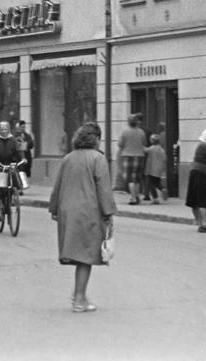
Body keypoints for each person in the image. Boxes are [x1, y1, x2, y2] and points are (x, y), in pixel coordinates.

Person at [47, 121, 116, 313]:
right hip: (88, 211)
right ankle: (79, 299)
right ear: (96, 139)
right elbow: (103, 189)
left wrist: (54, 209)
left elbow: (58, 186)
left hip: (68, 211)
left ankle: (80, 294)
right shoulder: (98, 159)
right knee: (86, 256)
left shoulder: (68, 158)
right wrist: (109, 213)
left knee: (80, 255)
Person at [0, 120, 25, 198]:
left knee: (15, 181)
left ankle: (14, 195)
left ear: (9, 129)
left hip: (10, 166)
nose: (4, 131)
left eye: (5, 129)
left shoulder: (13, 140)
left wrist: (23, 158)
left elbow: (19, 151)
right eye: (2, 129)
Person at [117, 113, 148, 204]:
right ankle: (137, 196)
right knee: (137, 179)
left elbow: (120, 144)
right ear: (136, 123)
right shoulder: (141, 132)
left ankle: (133, 198)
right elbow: (144, 143)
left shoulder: (125, 132)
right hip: (140, 156)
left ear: (129, 123)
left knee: (130, 179)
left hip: (128, 156)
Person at [143, 132, 167, 203]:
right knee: (157, 183)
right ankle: (163, 189)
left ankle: (155, 198)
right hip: (159, 170)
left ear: (152, 141)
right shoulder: (162, 149)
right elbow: (165, 159)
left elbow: (145, 150)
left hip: (152, 170)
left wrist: (139, 145)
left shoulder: (152, 148)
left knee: (151, 184)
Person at [15, 119, 36, 185]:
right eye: (22, 127)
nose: (23, 128)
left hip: (27, 156)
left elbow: (31, 144)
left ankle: (23, 184)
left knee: (26, 171)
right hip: (18, 157)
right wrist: (25, 144)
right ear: (19, 127)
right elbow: (16, 144)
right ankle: (20, 186)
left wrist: (26, 144)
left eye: (24, 127)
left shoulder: (27, 135)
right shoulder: (16, 135)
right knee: (20, 171)